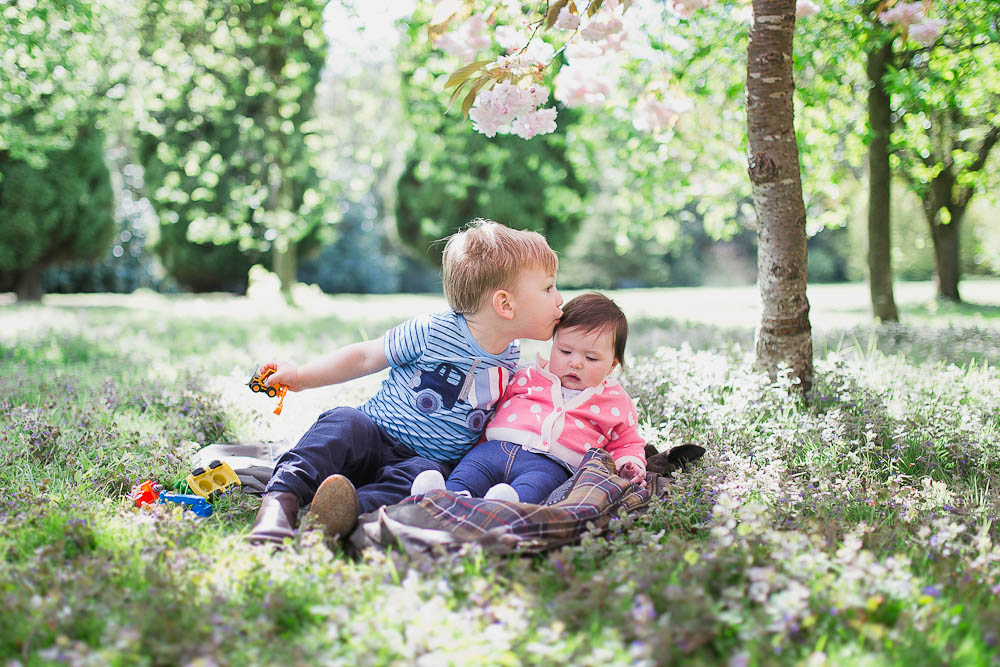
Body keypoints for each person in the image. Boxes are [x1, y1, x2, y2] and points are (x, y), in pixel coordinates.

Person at [247, 219, 564, 544]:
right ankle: (278, 505)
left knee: (425, 482)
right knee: (342, 422)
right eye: (548, 287)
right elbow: (365, 357)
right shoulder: (431, 331)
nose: (559, 299)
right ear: (505, 304)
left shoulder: (511, 354)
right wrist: (300, 377)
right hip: (375, 435)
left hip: (424, 461)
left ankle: (341, 512)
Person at [411, 292, 645, 504]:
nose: (575, 363)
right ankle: (441, 497)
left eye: (592, 358)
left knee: (536, 489)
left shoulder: (614, 400)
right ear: (554, 345)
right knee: (470, 471)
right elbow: (491, 407)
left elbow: (627, 441)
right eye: (565, 351)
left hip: (551, 464)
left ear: (612, 365)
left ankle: (504, 506)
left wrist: (628, 464)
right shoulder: (528, 375)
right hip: (493, 449)